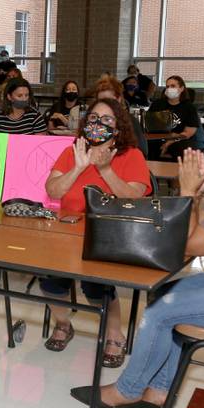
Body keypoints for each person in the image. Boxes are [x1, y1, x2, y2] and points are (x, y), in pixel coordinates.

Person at [70, 134, 204, 408]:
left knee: (160, 312)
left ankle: (126, 391)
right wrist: (198, 195)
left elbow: (190, 245)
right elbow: (202, 230)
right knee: (163, 291)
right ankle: (159, 392)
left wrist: (188, 193)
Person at [42, 98, 152, 368]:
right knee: (48, 280)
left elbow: (134, 198)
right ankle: (64, 324)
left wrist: (105, 169)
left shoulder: (131, 155)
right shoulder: (73, 151)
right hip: (68, 229)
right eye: (93, 118)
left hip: (109, 231)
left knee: (95, 285)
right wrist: (80, 166)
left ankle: (115, 334)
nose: (98, 124)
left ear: (117, 128)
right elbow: (53, 190)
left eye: (106, 120)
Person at [148, 75, 204, 159]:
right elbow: (149, 124)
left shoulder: (189, 107)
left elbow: (188, 133)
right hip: (157, 138)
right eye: (167, 86)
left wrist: (170, 142)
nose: (169, 88)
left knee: (181, 149)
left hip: (179, 140)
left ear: (181, 88)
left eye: (173, 86)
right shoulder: (157, 104)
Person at [95, 76, 149, 157]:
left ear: (119, 99)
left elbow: (142, 151)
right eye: (101, 101)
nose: (104, 104)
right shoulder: (94, 121)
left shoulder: (130, 121)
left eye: (108, 100)